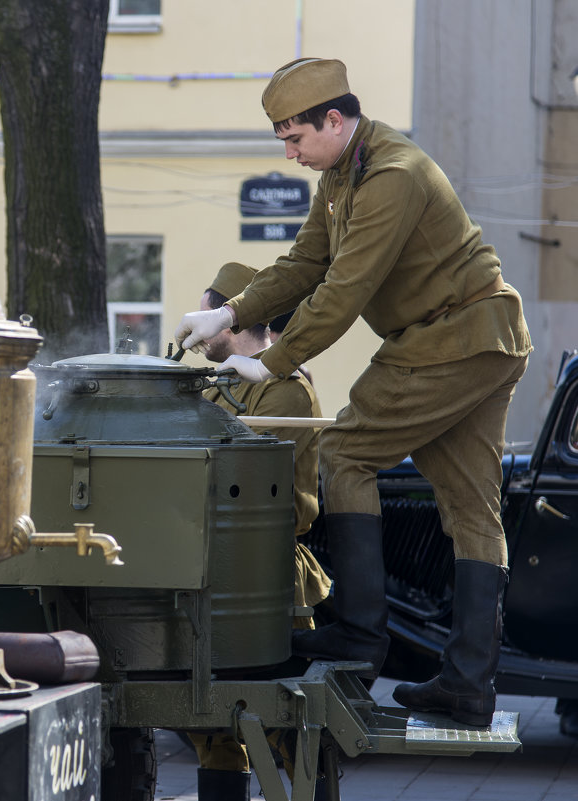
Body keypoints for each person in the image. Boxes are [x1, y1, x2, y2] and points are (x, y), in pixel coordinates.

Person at [175, 58, 532, 728]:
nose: (288, 152)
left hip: (451, 337)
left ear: (333, 121)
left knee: (343, 453)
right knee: (471, 508)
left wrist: (275, 359)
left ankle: (360, 637)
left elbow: (344, 287)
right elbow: (304, 263)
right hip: (476, 338)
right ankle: (466, 684)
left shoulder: (391, 176)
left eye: (294, 137)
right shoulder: (344, 172)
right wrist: (228, 315)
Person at [187, 262, 330, 801]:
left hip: (268, 573)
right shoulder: (218, 385)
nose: (200, 328)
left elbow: (233, 465)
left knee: (288, 726)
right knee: (211, 729)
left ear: (238, 320)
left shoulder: (286, 391)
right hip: (214, 567)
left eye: (209, 314)